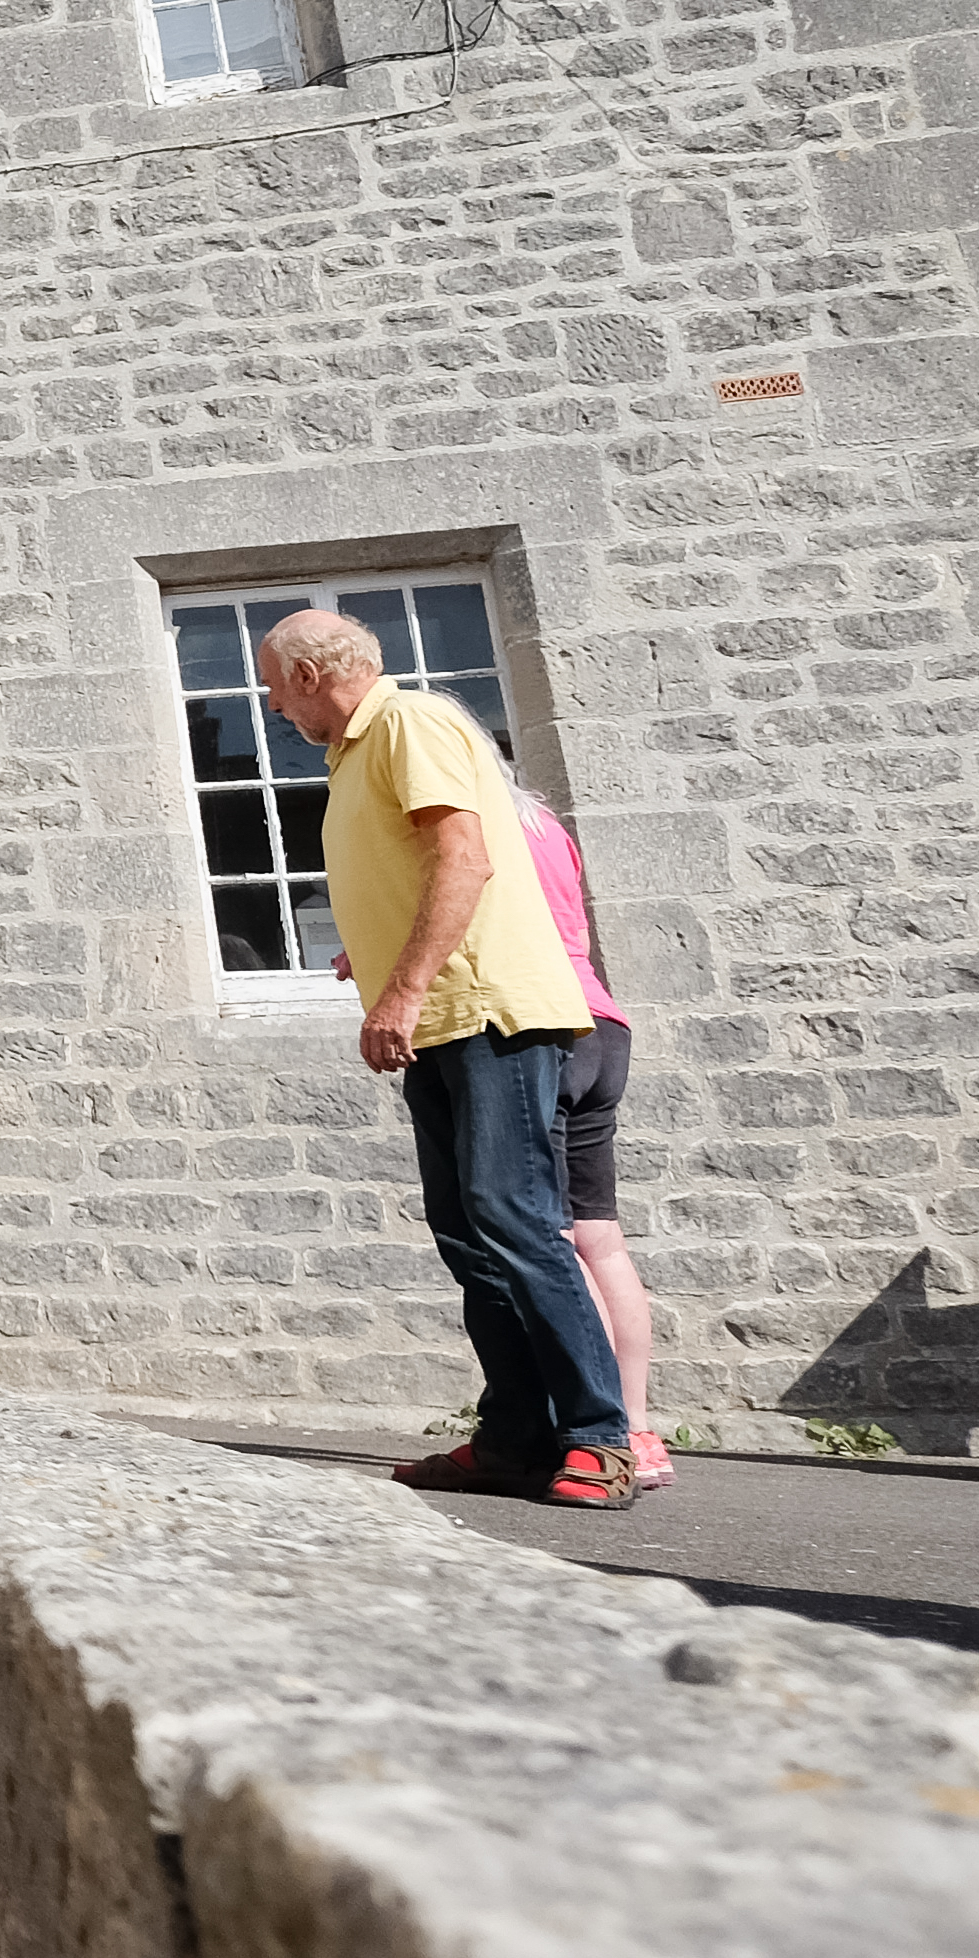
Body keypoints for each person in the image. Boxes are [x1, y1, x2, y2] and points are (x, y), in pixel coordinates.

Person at [255, 611, 633, 1509]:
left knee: (515, 1218)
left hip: (485, 1012)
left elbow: (463, 858)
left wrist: (402, 991)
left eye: (271, 684)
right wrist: (378, 960)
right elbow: (418, 875)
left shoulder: (408, 723)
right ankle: (514, 1438)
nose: (270, 704)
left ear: (308, 676)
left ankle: (599, 1437)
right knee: (471, 1235)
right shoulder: (356, 753)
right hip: (442, 1017)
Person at [512, 785, 669, 1491]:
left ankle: (598, 1428)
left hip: (544, 1018)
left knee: (547, 1234)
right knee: (599, 1236)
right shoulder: (544, 821)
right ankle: (638, 1428)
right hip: (604, 1021)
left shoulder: (480, 817)